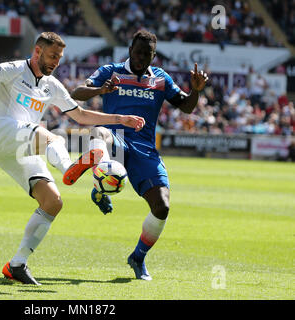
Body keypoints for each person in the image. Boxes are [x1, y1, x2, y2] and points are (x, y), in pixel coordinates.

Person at [0, 32, 145, 285]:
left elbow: (80, 115)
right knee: (54, 138)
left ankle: (17, 264)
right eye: (53, 56)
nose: (56, 62)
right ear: (37, 51)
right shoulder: (13, 69)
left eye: (60, 57)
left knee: (53, 202)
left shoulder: (52, 85)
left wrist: (120, 120)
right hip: (2, 132)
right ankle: (69, 168)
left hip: (23, 147)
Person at [70, 29, 209, 281]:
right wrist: (101, 90)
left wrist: (196, 90)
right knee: (99, 132)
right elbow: (77, 92)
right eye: (138, 52)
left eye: (147, 54)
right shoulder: (110, 71)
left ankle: (138, 256)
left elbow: (186, 106)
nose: (141, 57)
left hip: (144, 149)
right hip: (116, 140)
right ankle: (99, 176)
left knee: (162, 206)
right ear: (130, 50)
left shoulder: (160, 79)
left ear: (153, 55)